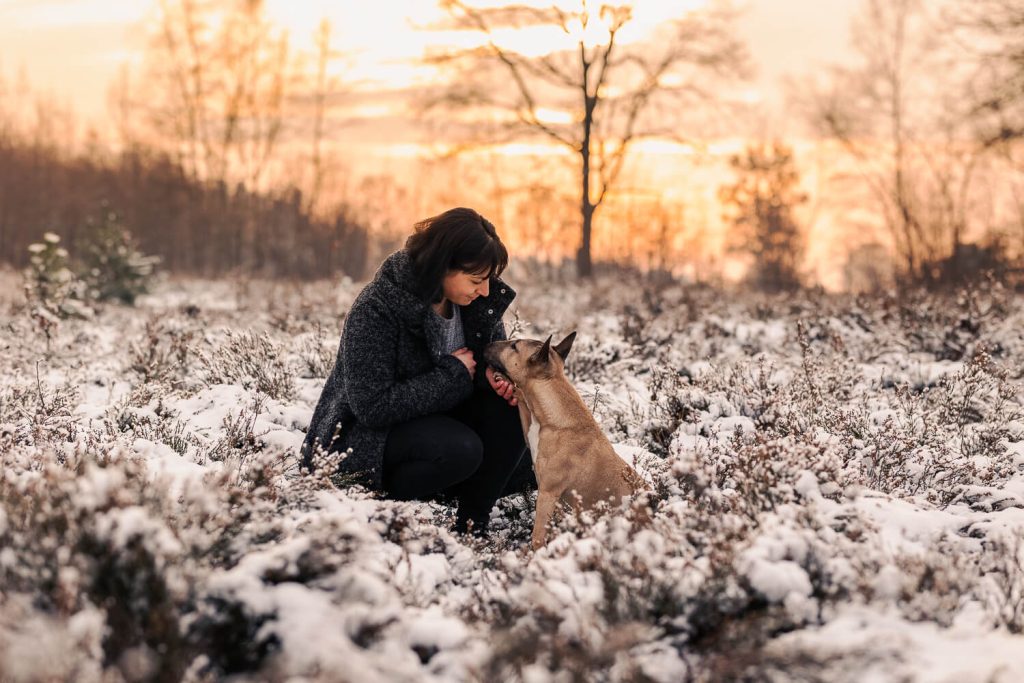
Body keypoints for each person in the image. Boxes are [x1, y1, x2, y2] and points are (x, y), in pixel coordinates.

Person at [301, 207, 535, 535]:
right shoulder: (376, 308)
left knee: (518, 420)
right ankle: (386, 496)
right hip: (367, 438)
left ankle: (472, 523)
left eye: (488, 280)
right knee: (462, 451)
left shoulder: (477, 303)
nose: (485, 291)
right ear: (443, 265)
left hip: (441, 420)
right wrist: (453, 375)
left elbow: (483, 364)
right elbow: (371, 406)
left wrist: (493, 380)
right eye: (476, 280)